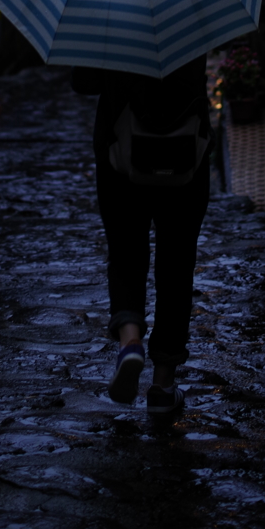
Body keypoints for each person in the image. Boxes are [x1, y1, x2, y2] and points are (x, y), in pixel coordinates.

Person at [72, 54, 213, 414]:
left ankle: (130, 340)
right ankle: (163, 385)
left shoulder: (109, 11)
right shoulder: (191, 8)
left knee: (125, 250)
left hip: (121, 151)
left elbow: (83, 81)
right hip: (185, 154)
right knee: (177, 260)